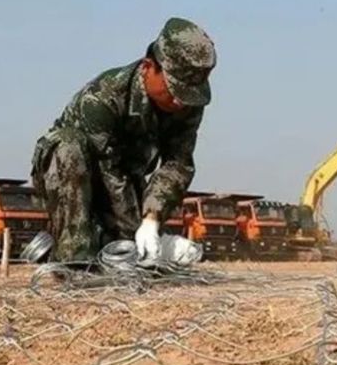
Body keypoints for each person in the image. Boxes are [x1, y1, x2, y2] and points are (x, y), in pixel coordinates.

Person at [30, 18, 217, 262]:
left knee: (128, 252)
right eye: (174, 90)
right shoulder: (103, 97)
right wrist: (135, 235)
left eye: (188, 94)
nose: (181, 102)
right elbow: (109, 175)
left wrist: (151, 221)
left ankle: (105, 244)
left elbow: (178, 164)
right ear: (149, 67)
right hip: (70, 177)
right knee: (69, 147)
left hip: (128, 180)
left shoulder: (186, 104)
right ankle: (72, 261)